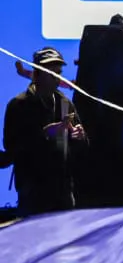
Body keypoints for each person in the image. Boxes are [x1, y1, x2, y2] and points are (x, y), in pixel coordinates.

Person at [3, 47, 86, 216]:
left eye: (59, 73)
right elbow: (12, 147)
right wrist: (44, 135)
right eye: (51, 73)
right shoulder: (19, 105)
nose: (57, 78)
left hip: (62, 193)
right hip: (33, 192)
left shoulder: (65, 104)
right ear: (38, 74)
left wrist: (80, 137)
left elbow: (82, 148)